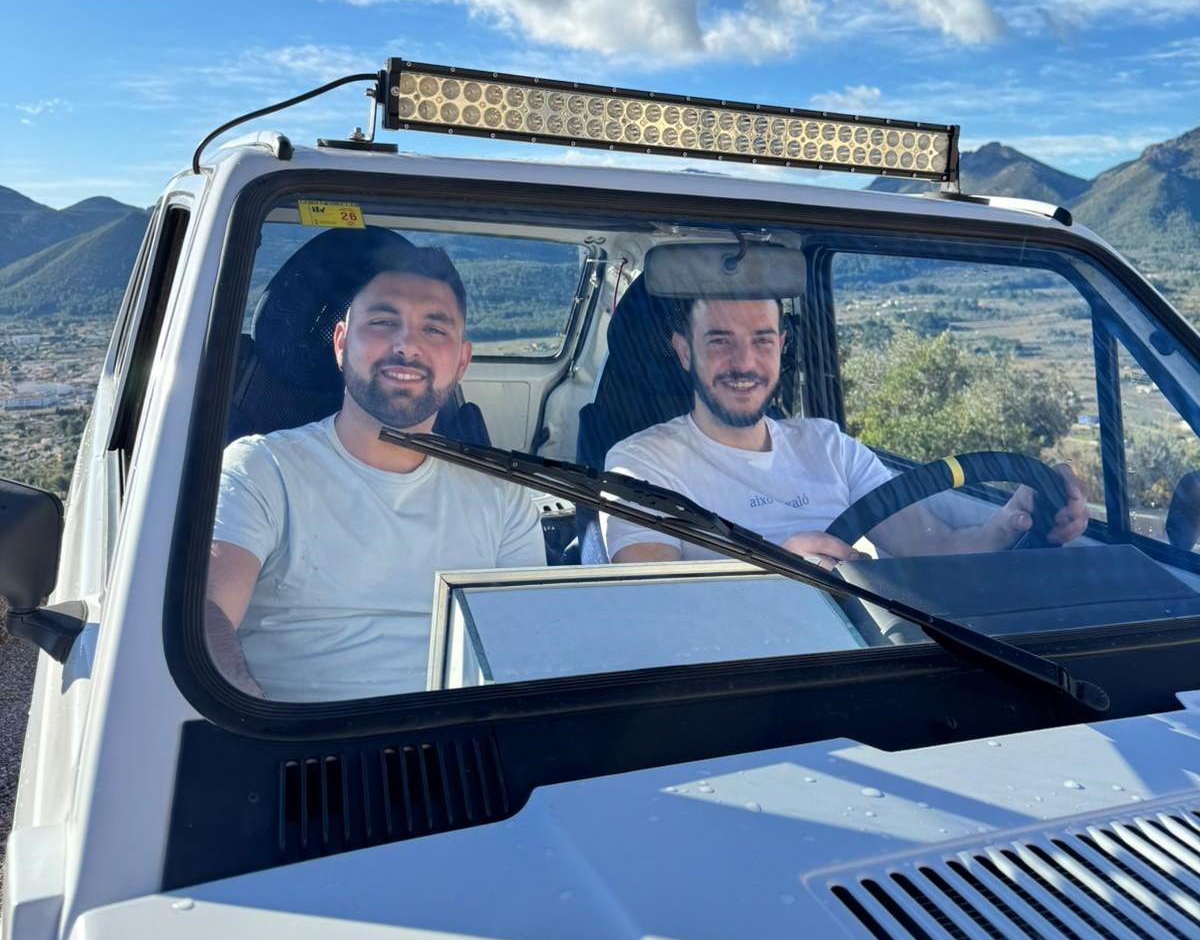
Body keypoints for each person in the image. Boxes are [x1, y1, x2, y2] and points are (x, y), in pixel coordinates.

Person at [206, 237, 545, 702]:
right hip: (296, 745)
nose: (407, 345)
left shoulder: (503, 497)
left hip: (461, 743)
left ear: (461, 360)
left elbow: (522, 646)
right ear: (342, 343)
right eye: (384, 322)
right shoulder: (262, 469)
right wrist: (238, 694)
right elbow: (206, 612)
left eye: (435, 330)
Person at [601, 296, 1088, 565]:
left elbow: (932, 545)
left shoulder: (828, 445)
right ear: (685, 351)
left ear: (781, 346)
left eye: (762, 341)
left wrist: (1011, 522)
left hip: (862, 660)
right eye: (720, 341)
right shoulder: (641, 461)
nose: (744, 363)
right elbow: (651, 595)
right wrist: (776, 567)